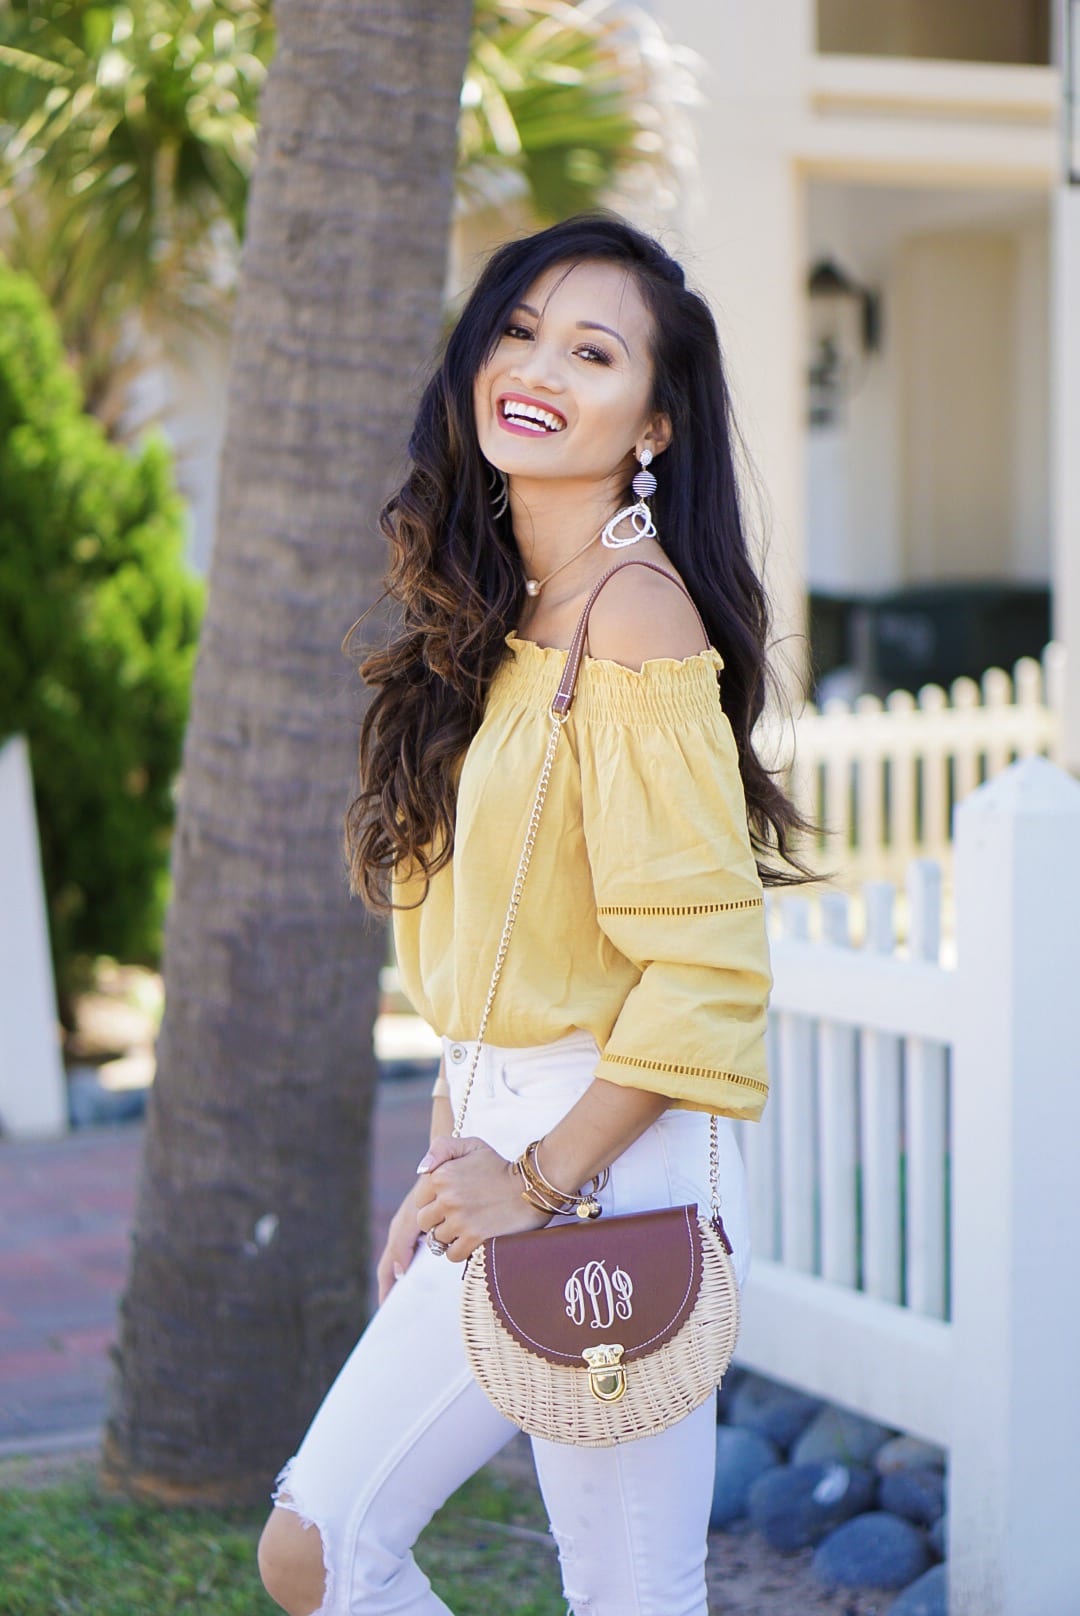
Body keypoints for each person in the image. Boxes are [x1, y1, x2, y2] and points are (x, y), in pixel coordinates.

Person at [257, 214, 806, 1616]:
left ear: (654, 424)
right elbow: (511, 938)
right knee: (346, 1552)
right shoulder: (512, 616)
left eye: (593, 348)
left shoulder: (633, 620)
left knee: (360, 1557)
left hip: (603, 1159)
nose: (538, 365)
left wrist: (536, 1178)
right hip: (507, 1141)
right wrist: (452, 1160)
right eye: (519, 329)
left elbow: (703, 967)